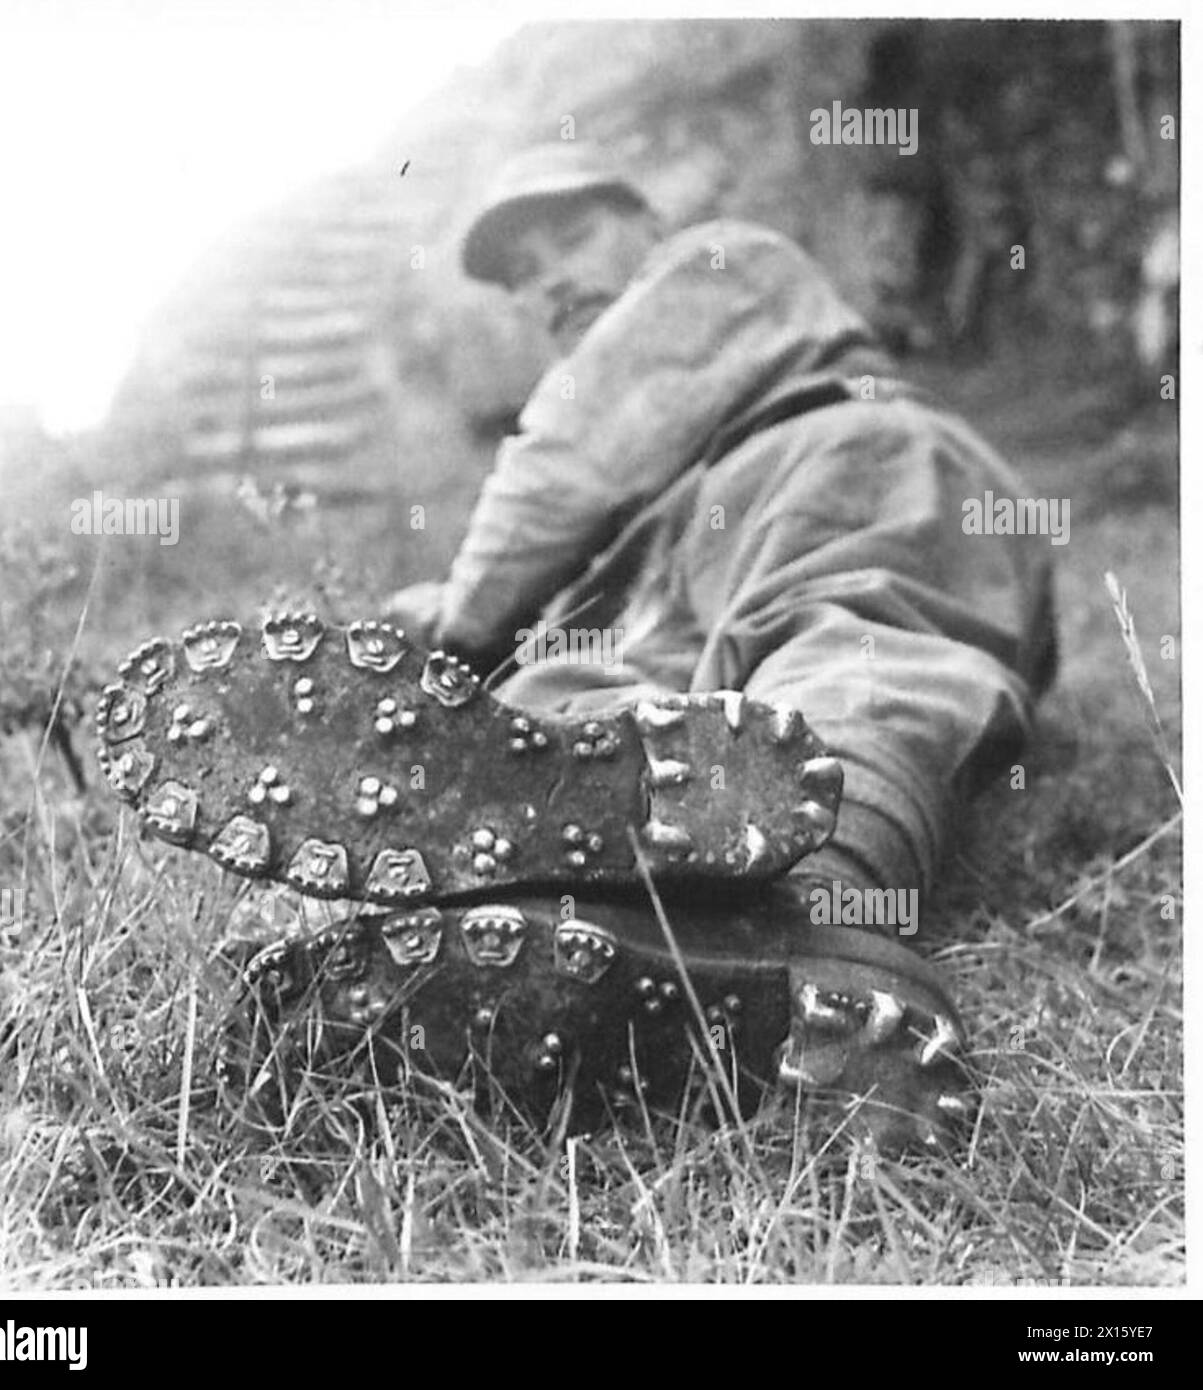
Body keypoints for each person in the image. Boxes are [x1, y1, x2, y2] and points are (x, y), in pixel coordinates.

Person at [101, 143, 1056, 1152]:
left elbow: (573, 452)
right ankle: (540, 916)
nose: (548, 279)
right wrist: (423, 638)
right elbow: (567, 530)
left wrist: (456, 624)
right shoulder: (652, 470)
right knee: (576, 701)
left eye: (571, 238)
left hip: (842, 457)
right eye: (523, 276)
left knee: (851, 639)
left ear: (645, 221)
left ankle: (822, 912)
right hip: (679, 536)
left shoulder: (723, 262)